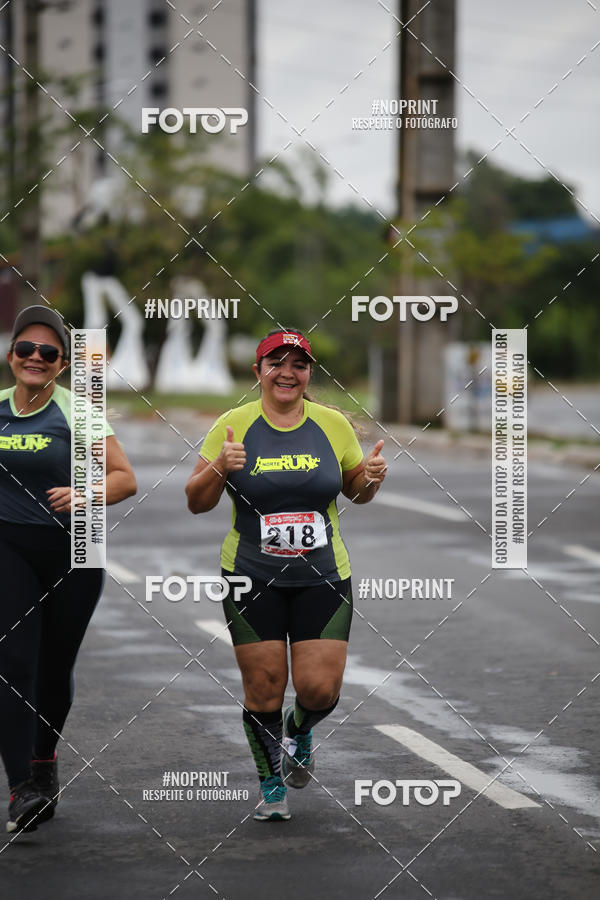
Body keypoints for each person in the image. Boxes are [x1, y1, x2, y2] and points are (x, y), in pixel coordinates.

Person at [185, 329, 386, 821]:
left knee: (319, 689)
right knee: (264, 687)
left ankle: (300, 729)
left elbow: (356, 493)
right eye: (276, 363)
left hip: (322, 575)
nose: (287, 373)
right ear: (258, 372)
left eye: (298, 365)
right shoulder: (232, 425)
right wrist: (219, 467)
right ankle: (272, 786)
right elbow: (195, 500)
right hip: (251, 576)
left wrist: (370, 479)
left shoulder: (333, 424)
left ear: (308, 375)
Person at [0, 305, 137, 834]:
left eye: (49, 353)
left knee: (53, 668)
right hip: (8, 547)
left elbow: (125, 480)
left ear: (61, 365)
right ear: (12, 356)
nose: (36, 358)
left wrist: (87, 494)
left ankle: (43, 761)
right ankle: (20, 789)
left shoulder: (77, 413)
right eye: (26, 350)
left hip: (76, 551)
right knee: (13, 663)